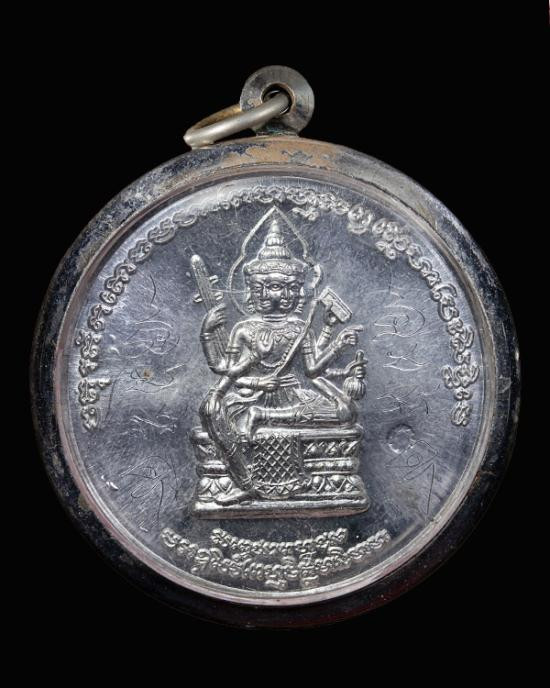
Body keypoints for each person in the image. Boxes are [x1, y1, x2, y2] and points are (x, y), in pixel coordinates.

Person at [198, 219, 365, 504]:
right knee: (216, 416)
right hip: (251, 398)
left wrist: (338, 345)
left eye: (290, 288)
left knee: (346, 412)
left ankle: (265, 418)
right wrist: (207, 333)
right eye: (273, 287)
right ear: (255, 290)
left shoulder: (300, 327)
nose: (282, 295)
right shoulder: (244, 329)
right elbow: (224, 370)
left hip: (291, 398)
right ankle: (247, 475)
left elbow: (312, 370)